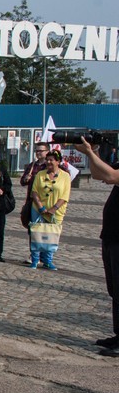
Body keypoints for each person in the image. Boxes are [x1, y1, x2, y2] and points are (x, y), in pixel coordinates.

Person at [74, 137, 119, 356]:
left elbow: (111, 176)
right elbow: (100, 174)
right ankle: (118, 335)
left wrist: (90, 153)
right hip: (112, 235)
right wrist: (91, 153)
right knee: (115, 290)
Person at [28, 149, 70, 270]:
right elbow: (34, 191)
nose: (48, 162)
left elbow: (65, 195)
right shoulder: (41, 174)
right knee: (37, 233)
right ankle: (35, 259)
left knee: (51, 235)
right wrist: (40, 206)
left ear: (58, 161)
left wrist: (53, 208)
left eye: (51, 159)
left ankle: (48, 260)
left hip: (56, 211)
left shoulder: (65, 176)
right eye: (47, 159)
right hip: (38, 209)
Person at [19, 141, 50, 259]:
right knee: (33, 229)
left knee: (46, 230)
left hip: (46, 202)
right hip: (32, 202)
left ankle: (45, 255)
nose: (38, 153)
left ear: (47, 152)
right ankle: (34, 255)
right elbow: (22, 182)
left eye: (41, 151)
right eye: (37, 151)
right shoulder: (32, 166)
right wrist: (26, 179)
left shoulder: (49, 166)